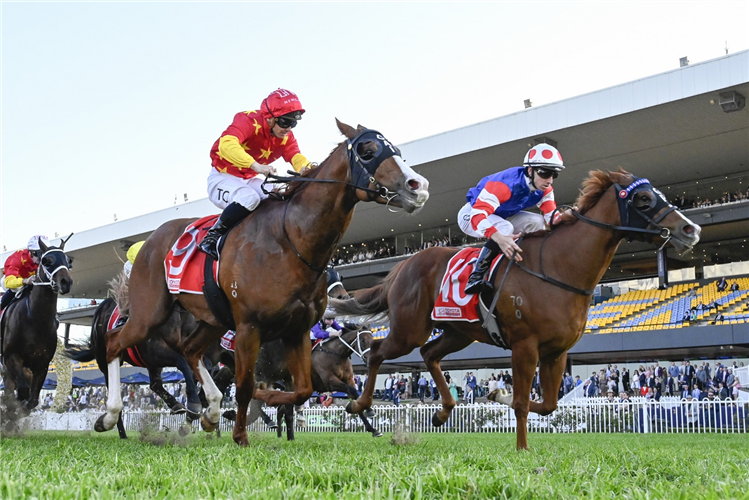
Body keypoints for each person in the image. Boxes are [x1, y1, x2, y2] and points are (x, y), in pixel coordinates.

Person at [199, 88, 314, 259]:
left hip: (247, 179)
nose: (288, 129)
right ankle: (212, 237)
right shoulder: (247, 120)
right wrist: (256, 166)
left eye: (293, 123)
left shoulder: (285, 136)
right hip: (222, 177)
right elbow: (226, 144)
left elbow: (295, 155)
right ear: (270, 118)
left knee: (277, 194)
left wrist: (307, 169)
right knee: (249, 198)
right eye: (284, 122)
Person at [458, 143, 565, 294]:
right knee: (504, 229)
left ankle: (529, 267)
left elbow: (551, 219)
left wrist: (574, 215)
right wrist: (500, 238)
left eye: (554, 174)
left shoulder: (545, 190)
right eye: (545, 173)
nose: (549, 180)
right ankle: (476, 276)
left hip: (503, 215)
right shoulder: (505, 184)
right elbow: (477, 216)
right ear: (530, 170)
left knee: (538, 222)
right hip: (471, 214)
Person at [0, 235, 49, 313]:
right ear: (31, 252)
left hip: (31, 281)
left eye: (44, 253)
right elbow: (8, 282)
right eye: (39, 253)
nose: (41, 258)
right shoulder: (16, 258)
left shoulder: (43, 260)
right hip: (12, 281)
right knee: (16, 288)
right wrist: (25, 281)